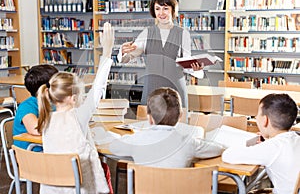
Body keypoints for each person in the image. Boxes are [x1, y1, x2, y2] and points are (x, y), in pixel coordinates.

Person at [36, 22, 114, 194]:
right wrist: (107, 52)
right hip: (79, 188)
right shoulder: (78, 116)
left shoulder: (46, 118)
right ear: (73, 98)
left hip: (52, 188)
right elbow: (98, 88)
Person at [117, 0, 203, 107]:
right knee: (149, 123)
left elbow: (186, 63)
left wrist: (195, 68)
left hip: (175, 91)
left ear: (173, 10)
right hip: (152, 90)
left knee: (177, 123)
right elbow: (127, 58)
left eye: (165, 8)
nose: (161, 13)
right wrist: (123, 51)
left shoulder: (183, 34)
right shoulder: (147, 33)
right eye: (157, 9)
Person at [109, 87, 224, 168]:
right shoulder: (189, 142)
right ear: (180, 116)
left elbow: (113, 147)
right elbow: (218, 149)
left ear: (149, 118)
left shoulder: (137, 140)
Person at [222, 93, 300, 194]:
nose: (256, 117)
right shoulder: (295, 138)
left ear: (265, 120)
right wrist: (266, 142)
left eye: (257, 114)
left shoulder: (272, 148)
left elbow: (228, 155)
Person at [13, 64, 58, 151]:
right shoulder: (26, 107)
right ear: (46, 90)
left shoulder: (53, 103)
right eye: (57, 84)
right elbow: (36, 129)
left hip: (48, 149)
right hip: (32, 156)